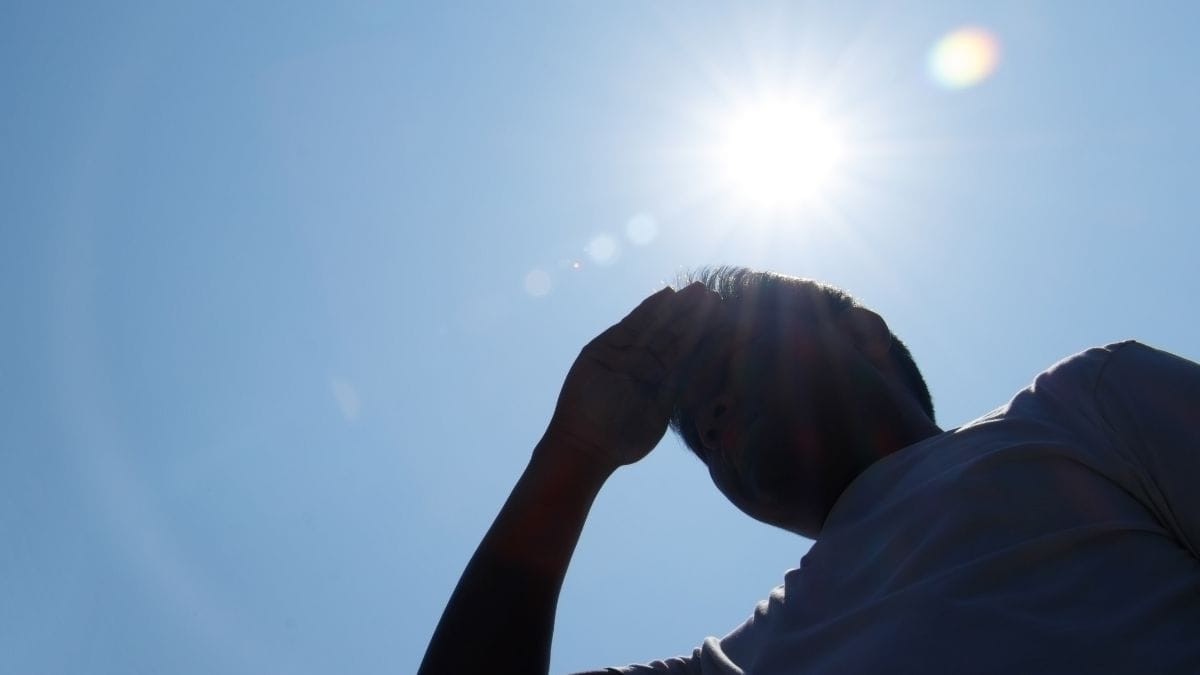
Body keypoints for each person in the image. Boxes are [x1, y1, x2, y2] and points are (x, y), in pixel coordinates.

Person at [419, 267, 1200, 674]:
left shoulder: (1086, 407)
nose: (712, 414)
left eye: (733, 364)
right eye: (692, 423)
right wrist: (575, 456)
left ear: (860, 334)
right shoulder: (738, 664)